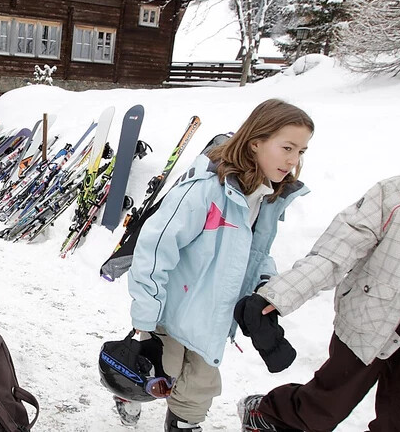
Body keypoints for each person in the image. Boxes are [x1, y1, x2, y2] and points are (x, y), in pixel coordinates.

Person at [123, 99, 314, 431]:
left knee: (200, 384)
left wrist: (264, 284)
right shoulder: (206, 190)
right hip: (170, 310)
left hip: (213, 316)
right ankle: (129, 392)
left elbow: (254, 253)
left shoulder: (267, 198)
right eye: (287, 147)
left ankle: (185, 423)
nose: (293, 160)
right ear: (256, 141)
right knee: (157, 372)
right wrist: (146, 313)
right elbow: (155, 247)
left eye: (301, 151)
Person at [237, 158, 400, 432]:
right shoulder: (393, 197)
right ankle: (268, 416)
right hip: (372, 317)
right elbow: (333, 255)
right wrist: (276, 296)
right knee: (327, 402)